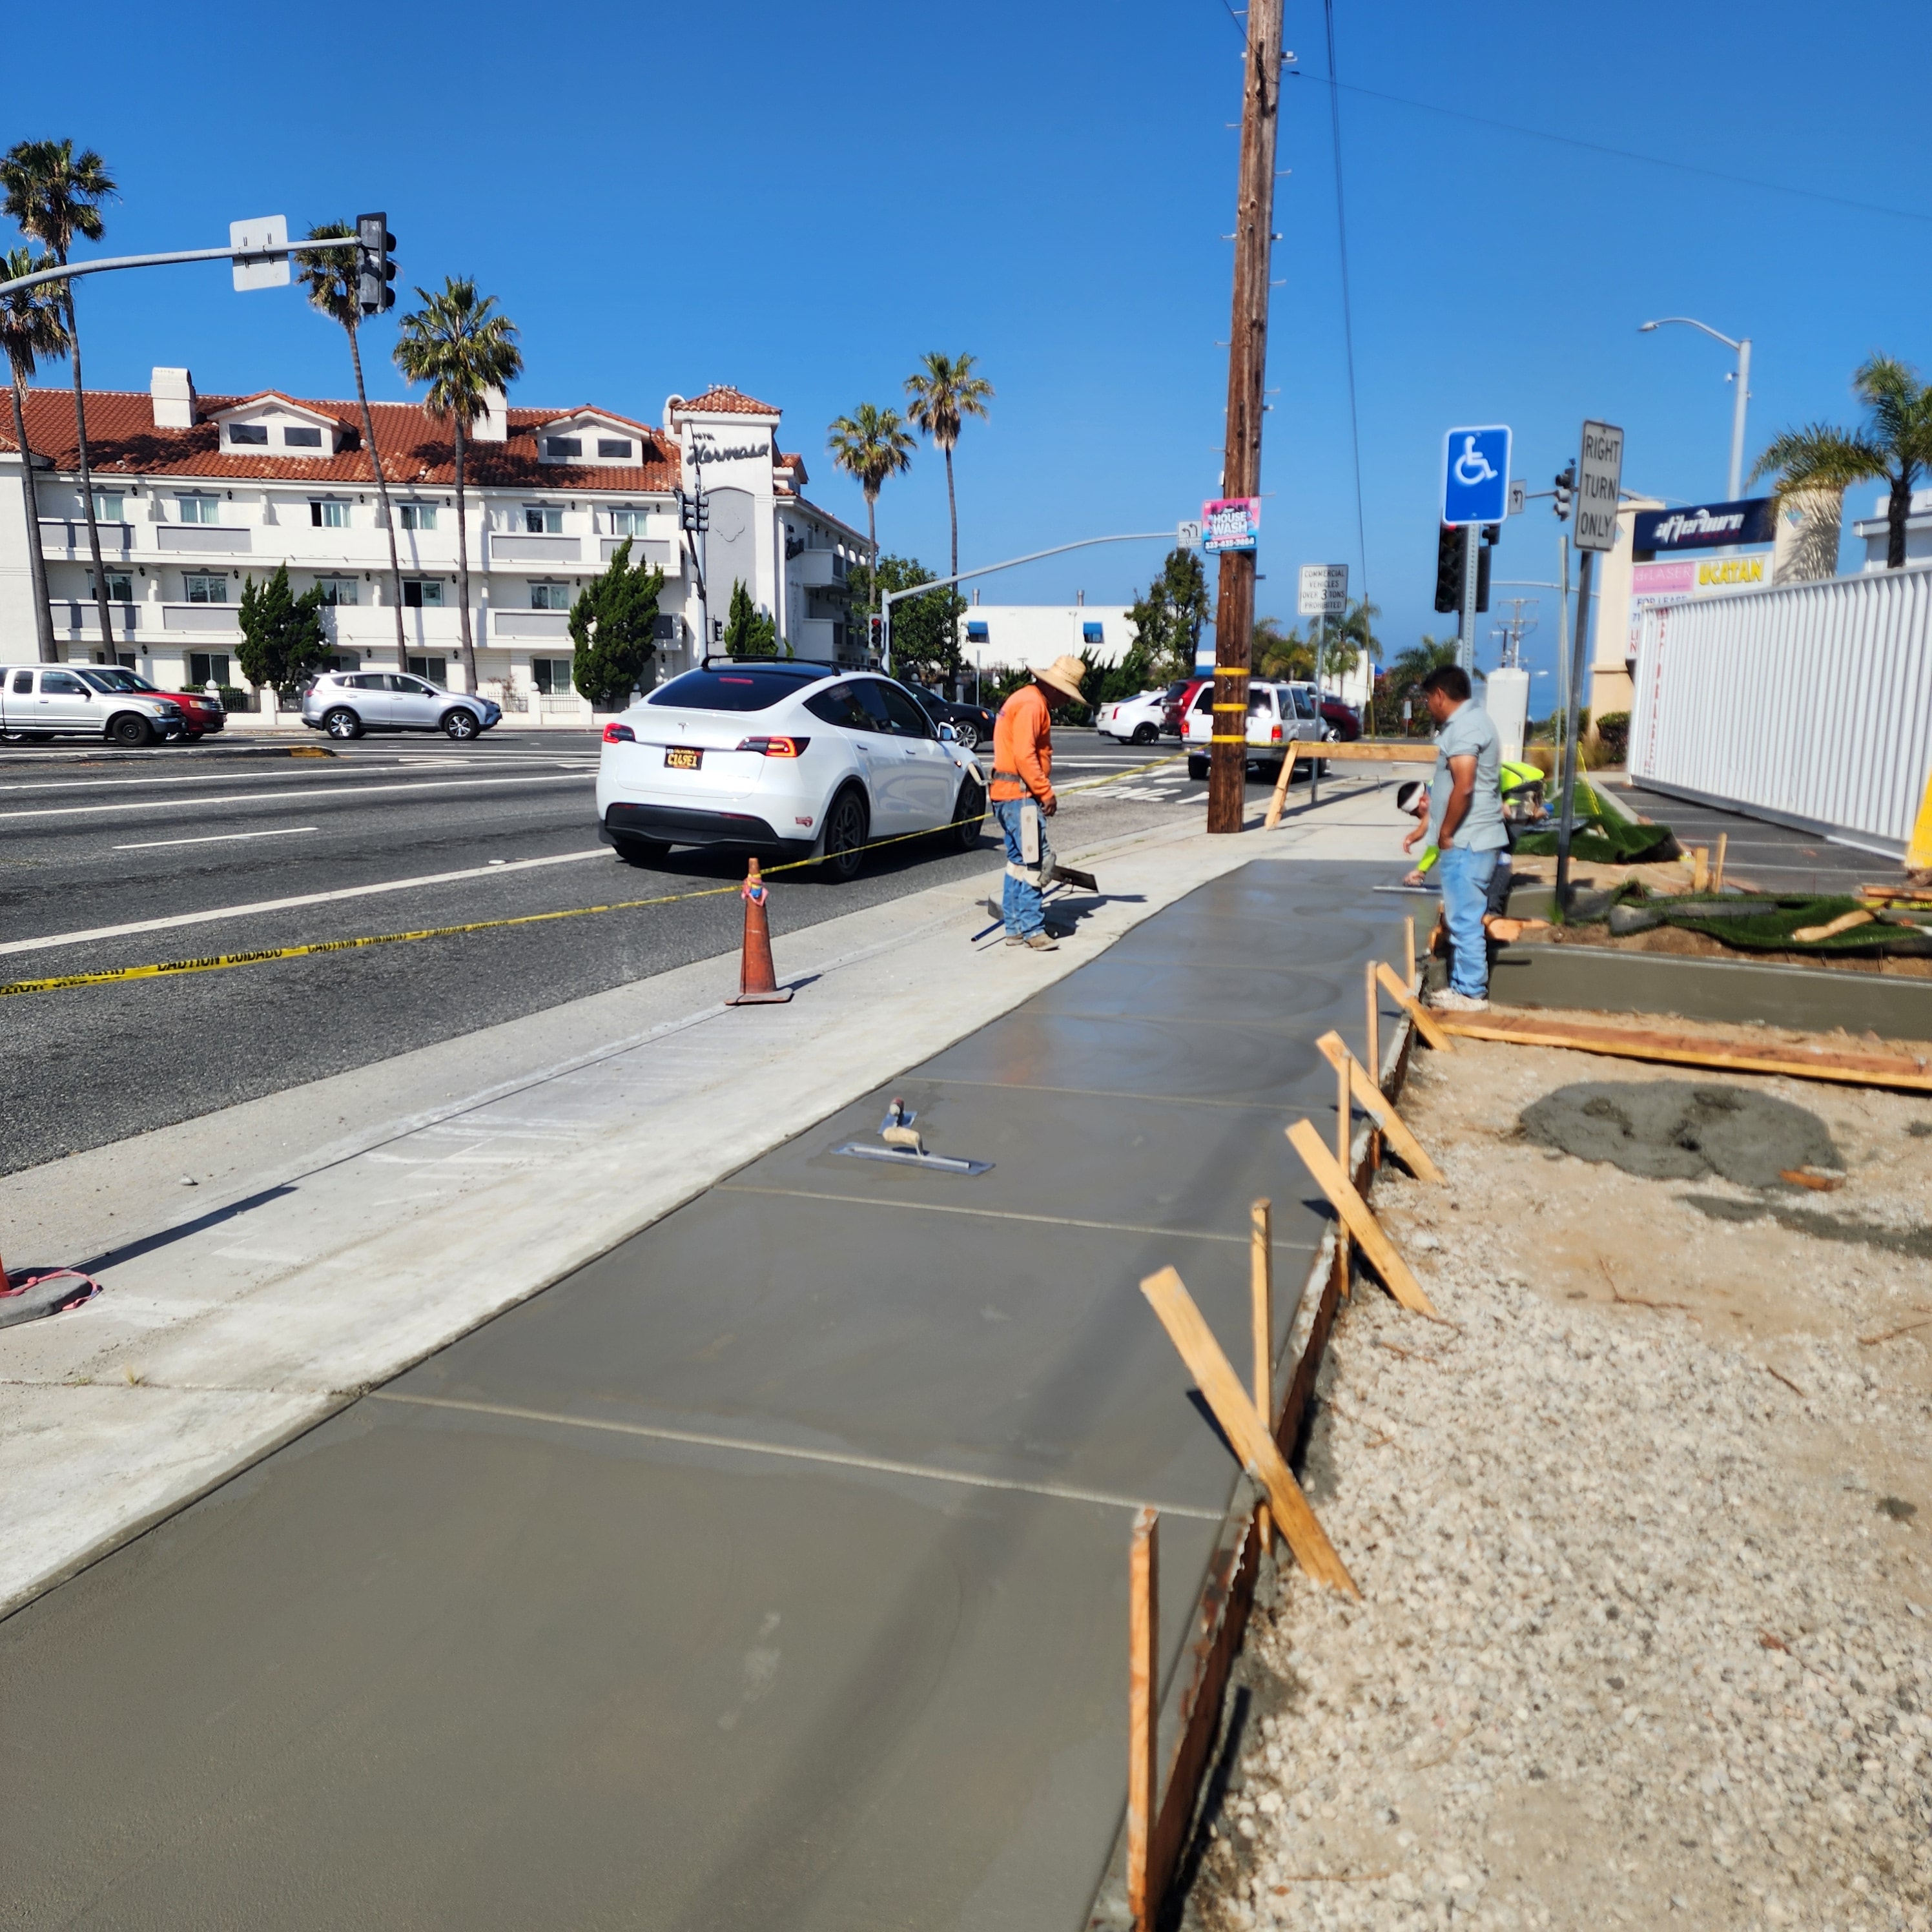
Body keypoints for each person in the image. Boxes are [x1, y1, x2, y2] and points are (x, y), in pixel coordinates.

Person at [1401, 664, 1507, 1009]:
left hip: (1468, 839)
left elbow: (1465, 785)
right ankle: (1462, 986)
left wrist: (1445, 832)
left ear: (1440, 696)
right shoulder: (1472, 722)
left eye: (1428, 699)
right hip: (1470, 838)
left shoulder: (1466, 728)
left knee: (1464, 918)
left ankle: (1472, 993)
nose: (1428, 706)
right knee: (1460, 916)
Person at [990, 654, 1086, 950]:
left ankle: (1014, 928)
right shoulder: (1034, 705)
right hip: (1022, 798)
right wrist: (1045, 792)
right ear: (1055, 688)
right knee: (1038, 863)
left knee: (1017, 863)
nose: (1067, 703)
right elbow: (1024, 755)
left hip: (1006, 794)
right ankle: (1033, 930)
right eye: (1067, 695)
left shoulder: (1023, 699)